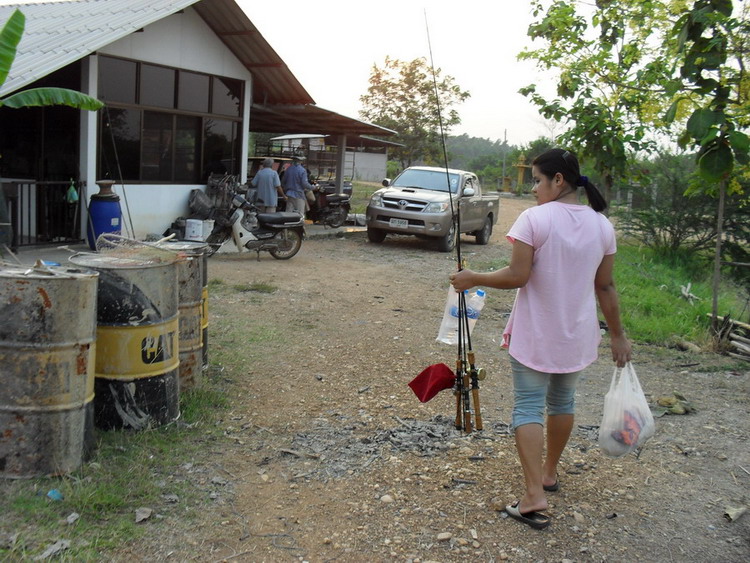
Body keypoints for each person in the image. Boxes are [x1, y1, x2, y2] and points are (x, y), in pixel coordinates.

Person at [449, 148, 631, 530]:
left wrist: (473, 277)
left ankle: (534, 494)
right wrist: (618, 336)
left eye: (536, 180)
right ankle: (548, 473)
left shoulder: (535, 219)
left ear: (558, 180)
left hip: (536, 333)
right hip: (577, 335)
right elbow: (606, 286)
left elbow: (518, 275)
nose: (532, 189)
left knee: (529, 405)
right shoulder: (602, 225)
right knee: (563, 401)